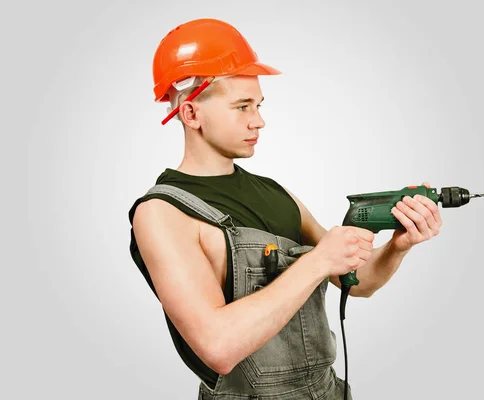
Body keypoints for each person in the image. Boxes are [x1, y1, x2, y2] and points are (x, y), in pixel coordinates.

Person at [127, 18, 443, 400]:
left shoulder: (276, 193)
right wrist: (317, 262)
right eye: (242, 106)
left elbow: (356, 280)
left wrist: (398, 245)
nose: (259, 120)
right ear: (191, 114)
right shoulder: (161, 213)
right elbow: (218, 347)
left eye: (258, 105)